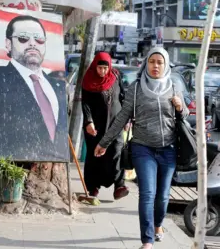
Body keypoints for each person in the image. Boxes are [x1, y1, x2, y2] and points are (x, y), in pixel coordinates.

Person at [94, 47, 188, 249]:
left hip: (168, 148)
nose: (155, 66)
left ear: (165, 65)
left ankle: (158, 225)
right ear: (146, 63)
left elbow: (185, 114)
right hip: (142, 148)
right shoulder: (135, 89)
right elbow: (121, 118)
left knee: (163, 196)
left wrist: (180, 106)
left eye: (160, 62)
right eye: (152, 61)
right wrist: (104, 142)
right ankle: (147, 240)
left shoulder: (173, 86)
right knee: (147, 193)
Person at [0, 15, 69, 162]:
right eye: (23, 38)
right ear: (8, 44)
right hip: (12, 168)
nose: (32, 44)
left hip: (52, 167)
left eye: (39, 39)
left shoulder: (58, 86)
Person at [81, 52, 129, 200]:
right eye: (100, 68)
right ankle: (93, 187)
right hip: (96, 126)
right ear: (95, 66)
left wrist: (127, 119)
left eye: (105, 68)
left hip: (115, 123)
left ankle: (119, 185)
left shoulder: (115, 76)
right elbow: (86, 103)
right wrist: (88, 121)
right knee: (95, 156)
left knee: (117, 150)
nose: (102, 71)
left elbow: (123, 97)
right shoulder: (88, 80)